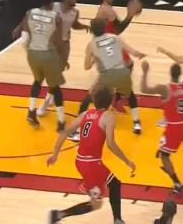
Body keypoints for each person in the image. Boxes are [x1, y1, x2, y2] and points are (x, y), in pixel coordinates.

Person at [47, 86, 135, 224]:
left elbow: (64, 132)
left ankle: (117, 219)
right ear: (110, 101)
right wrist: (127, 161)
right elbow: (110, 144)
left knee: (114, 184)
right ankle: (59, 214)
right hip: (92, 164)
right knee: (96, 204)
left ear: (94, 100)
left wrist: (55, 154)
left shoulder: (85, 114)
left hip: (81, 161)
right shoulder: (108, 117)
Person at [140, 61, 183, 193]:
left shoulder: (165, 89)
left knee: (164, 155)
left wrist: (144, 72)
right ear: (180, 74)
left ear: (170, 74)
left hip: (174, 127)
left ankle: (177, 184)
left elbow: (144, 89)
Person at [75, 18, 146, 139]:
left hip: (107, 75)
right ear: (104, 28)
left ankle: (77, 130)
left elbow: (87, 67)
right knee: (130, 94)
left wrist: (93, 60)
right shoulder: (115, 38)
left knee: (88, 98)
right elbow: (133, 51)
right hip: (122, 72)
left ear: (92, 31)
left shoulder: (91, 45)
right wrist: (140, 54)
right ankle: (136, 123)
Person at [11, 0, 66, 130]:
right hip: (48, 54)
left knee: (37, 81)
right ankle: (61, 122)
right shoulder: (56, 17)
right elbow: (59, 42)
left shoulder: (30, 13)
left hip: (32, 53)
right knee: (55, 87)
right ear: (51, 3)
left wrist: (29, 52)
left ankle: (31, 111)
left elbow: (24, 39)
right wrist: (62, 59)